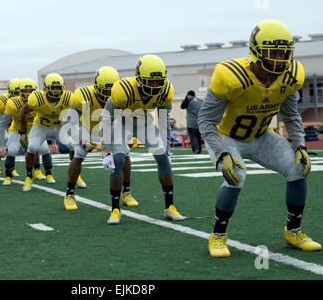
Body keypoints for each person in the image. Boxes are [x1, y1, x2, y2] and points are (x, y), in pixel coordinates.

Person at [197, 19, 321, 258]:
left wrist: (301, 146)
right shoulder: (230, 76)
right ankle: (218, 235)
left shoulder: (291, 76)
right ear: (256, 51)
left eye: (285, 53)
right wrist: (222, 153)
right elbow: (206, 121)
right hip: (227, 137)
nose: (280, 59)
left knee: (299, 167)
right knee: (237, 174)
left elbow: (292, 116)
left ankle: (293, 232)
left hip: (261, 136)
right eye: (273, 52)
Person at [99, 54, 185, 224]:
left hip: (143, 120)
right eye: (150, 81)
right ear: (139, 79)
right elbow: (106, 119)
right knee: (118, 159)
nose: (155, 85)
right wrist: (106, 150)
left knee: (163, 157)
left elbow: (164, 120)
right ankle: (115, 209)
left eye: (158, 81)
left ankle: (169, 207)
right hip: (120, 120)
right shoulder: (123, 90)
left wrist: (166, 149)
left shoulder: (165, 91)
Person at [62, 66, 136, 211]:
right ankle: (69, 194)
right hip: (88, 128)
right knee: (79, 153)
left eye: (111, 91)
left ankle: (126, 192)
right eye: (105, 91)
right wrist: (80, 139)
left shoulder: (122, 94)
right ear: (96, 87)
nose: (108, 95)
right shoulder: (84, 95)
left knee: (125, 154)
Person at [19, 73, 74, 191]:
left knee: (73, 145)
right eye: (53, 88)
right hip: (41, 127)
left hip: (58, 127)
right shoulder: (37, 98)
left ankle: (76, 174)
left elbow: (77, 113)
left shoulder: (68, 98)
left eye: (58, 88)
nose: (56, 91)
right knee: (32, 147)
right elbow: (23, 111)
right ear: (46, 88)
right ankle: (29, 176)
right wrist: (22, 132)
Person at [0, 78, 48, 185]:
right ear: (20, 92)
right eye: (25, 91)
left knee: (42, 148)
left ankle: (38, 171)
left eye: (31, 91)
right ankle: (8, 176)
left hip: (35, 128)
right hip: (17, 129)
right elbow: (3, 123)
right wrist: (1, 144)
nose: (28, 93)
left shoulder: (40, 100)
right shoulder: (13, 103)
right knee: (12, 150)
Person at [0, 79, 21, 183]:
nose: (18, 96)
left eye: (19, 93)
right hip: (2, 125)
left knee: (13, 147)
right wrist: (2, 140)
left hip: (15, 125)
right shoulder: (0, 102)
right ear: (10, 92)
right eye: (15, 93)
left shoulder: (26, 99)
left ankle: (12, 168)